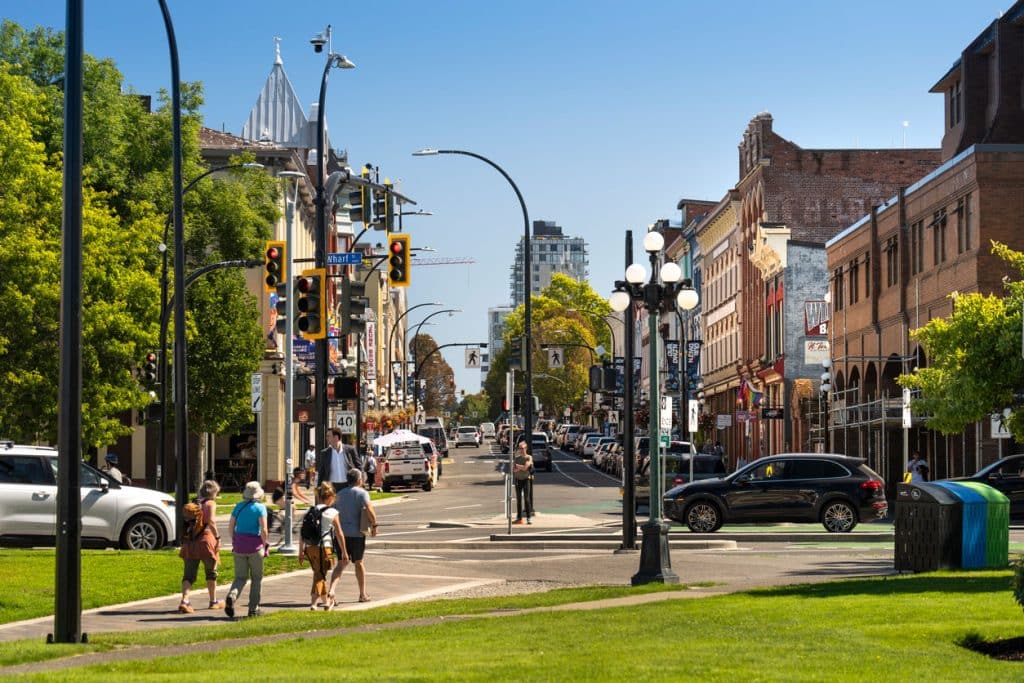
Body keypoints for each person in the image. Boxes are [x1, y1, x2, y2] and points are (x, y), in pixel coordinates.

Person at [327, 468, 377, 604]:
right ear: (359, 480)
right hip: (357, 534)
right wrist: (374, 525)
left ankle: (332, 592)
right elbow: (370, 510)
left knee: (341, 563)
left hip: (341, 535)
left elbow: (332, 512)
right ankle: (362, 594)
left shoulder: (339, 494)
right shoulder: (362, 494)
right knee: (359, 562)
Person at [298, 482, 349, 610]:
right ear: (330, 497)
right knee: (320, 574)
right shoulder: (332, 512)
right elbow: (339, 533)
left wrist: (301, 551)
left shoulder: (310, 510)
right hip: (325, 547)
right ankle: (316, 603)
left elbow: (302, 533)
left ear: (319, 496)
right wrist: (344, 552)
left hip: (310, 547)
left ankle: (325, 600)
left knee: (318, 573)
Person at [225, 481, 269, 619]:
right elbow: (264, 529)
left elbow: (231, 527)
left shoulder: (238, 507)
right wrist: (264, 544)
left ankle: (232, 596)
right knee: (256, 578)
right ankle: (253, 609)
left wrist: (234, 541)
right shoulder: (260, 508)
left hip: (239, 546)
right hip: (254, 547)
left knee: (240, 577)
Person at [178, 480, 223, 613]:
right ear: (213, 492)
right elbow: (211, 521)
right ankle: (213, 601)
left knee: (188, 576)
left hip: (190, 542)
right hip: (206, 542)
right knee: (211, 572)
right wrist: (218, 537)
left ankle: (185, 601)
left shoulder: (194, 503)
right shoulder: (210, 503)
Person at [512, 439, 534, 525]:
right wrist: (522, 467)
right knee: (518, 499)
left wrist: (519, 467)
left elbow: (526, 468)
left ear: (526, 448)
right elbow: (514, 470)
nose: (521, 450)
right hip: (518, 480)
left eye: (523, 448)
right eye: (520, 448)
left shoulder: (529, 457)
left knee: (527, 499)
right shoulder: (517, 458)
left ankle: (529, 517)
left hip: (526, 479)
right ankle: (519, 518)